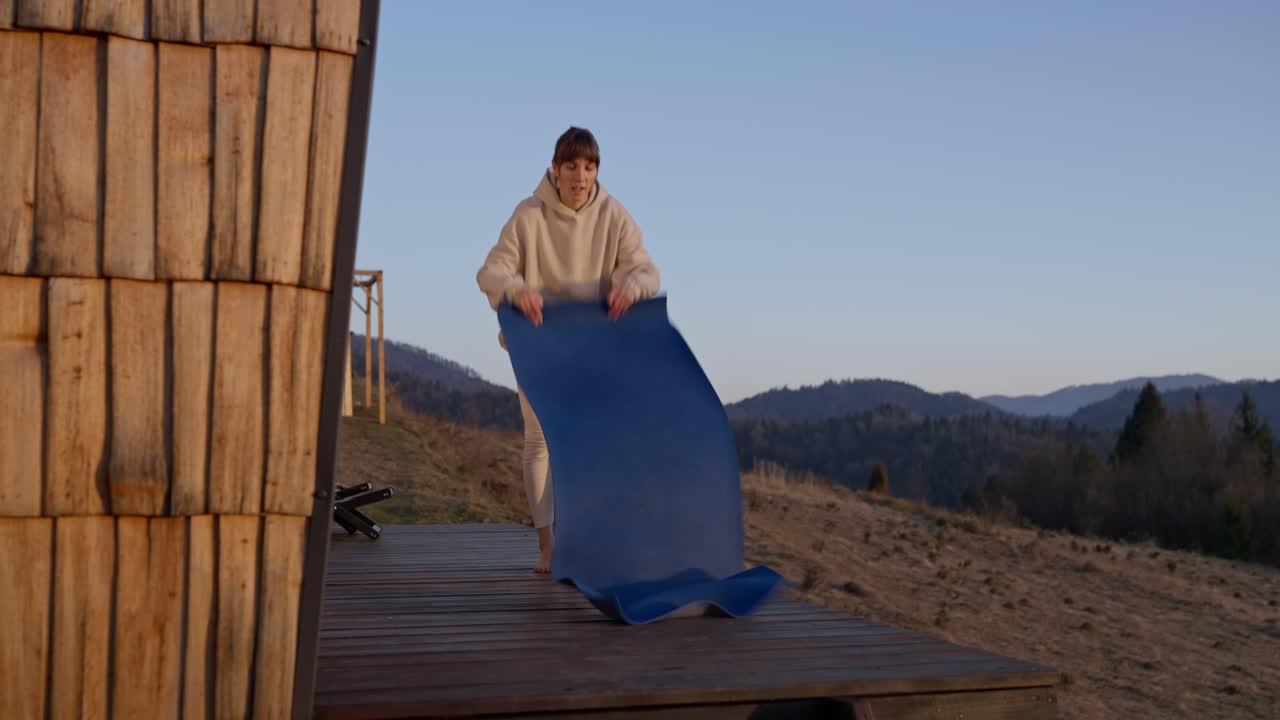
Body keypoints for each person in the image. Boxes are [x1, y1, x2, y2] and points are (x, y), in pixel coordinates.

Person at [476, 127, 660, 574]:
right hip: (537, 343)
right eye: (572, 166)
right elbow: (490, 272)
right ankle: (548, 548)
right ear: (556, 169)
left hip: (590, 346)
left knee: (592, 442)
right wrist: (517, 290)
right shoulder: (528, 216)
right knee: (539, 443)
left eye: (589, 166)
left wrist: (632, 287)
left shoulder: (614, 215)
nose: (580, 176)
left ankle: (590, 540)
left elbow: (645, 269)